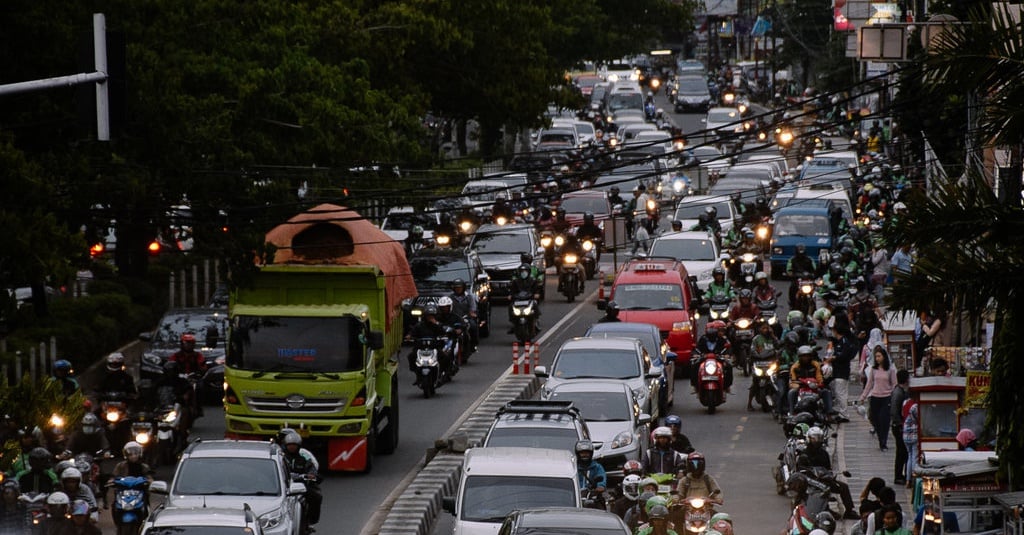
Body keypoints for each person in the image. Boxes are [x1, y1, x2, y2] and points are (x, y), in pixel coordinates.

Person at [798, 427, 859, 519]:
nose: (817, 441)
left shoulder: (824, 454)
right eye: (814, 438)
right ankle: (825, 509)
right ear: (809, 439)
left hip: (824, 480)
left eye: (819, 438)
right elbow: (801, 471)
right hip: (811, 482)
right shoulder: (804, 454)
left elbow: (828, 469)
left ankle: (849, 511)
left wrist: (829, 476)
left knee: (843, 487)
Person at [859, 346, 897, 450]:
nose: (877, 358)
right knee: (875, 419)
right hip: (875, 397)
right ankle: (880, 438)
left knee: (884, 420)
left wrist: (894, 398)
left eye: (879, 356)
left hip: (886, 397)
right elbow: (869, 383)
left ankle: (883, 443)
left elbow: (894, 384)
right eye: (876, 356)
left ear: (884, 357)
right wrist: (863, 396)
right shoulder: (874, 369)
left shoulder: (890, 370)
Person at [281, 432, 322, 529]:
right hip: (284, 485)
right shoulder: (282, 457)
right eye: (290, 445)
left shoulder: (304, 457)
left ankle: (311, 521)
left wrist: (311, 475)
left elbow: (312, 469)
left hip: (302, 485)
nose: (292, 447)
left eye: (294, 445)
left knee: (316, 496)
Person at [406, 304, 452, 385]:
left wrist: (442, 333)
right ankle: (418, 375)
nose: (430, 318)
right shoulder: (419, 325)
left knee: (446, 358)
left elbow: (444, 332)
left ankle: (442, 374)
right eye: (428, 316)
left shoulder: (438, 325)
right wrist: (409, 336)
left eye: (432, 316)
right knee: (411, 356)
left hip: (434, 348)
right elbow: (412, 332)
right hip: (421, 348)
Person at [788, 345, 833, 415]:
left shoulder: (816, 365)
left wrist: (819, 384)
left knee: (826, 392)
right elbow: (792, 381)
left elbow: (819, 377)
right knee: (791, 392)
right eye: (803, 356)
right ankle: (792, 413)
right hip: (801, 389)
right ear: (799, 357)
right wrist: (797, 385)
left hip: (814, 388)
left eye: (807, 356)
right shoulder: (795, 367)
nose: (806, 358)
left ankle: (829, 413)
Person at [690, 320, 732, 394]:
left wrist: (726, 355)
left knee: (728, 366)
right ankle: (695, 386)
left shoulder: (721, 339)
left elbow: (727, 348)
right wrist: (696, 354)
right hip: (704, 359)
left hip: (718, 358)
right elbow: (697, 348)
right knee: (694, 366)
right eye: (710, 330)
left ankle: (727, 386)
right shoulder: (703, 339)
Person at [829, 326, 859, 422]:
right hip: (838, 371)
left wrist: (834, 358)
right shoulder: (839, 342)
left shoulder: (844, 342)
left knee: (840, 393)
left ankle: (844, 414)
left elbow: (844, 356)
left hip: (842, 371)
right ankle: (843, 412)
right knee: (841, 393)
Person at [891, 369, 911, 485]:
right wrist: (900, 424)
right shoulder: (898, 393)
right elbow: (894, 411)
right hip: (898, 426)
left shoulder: (901, 391)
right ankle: (898, 475)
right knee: (901, 452)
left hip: (900, 425)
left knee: (903, 452)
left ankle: (901, 474)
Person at [449, 278, 479, 352]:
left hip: (466, 318)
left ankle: (473, 345)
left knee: (473, 326)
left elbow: (473, 307)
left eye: (460, 287)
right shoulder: (450, 297)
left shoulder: (469, 297)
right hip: (454, 318)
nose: (458, 289)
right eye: (456, 288)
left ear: (463, 288)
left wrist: (472, 313)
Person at [776, 331, 800, 415]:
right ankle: (779, 412)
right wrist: (787, 366)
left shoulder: (798, 352)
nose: (792, 347)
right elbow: (778, 366)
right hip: (783, 376)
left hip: (796, 376)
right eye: (791, 344)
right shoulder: (781, 353)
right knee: (781, 391)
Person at [902, 400, 919, 490]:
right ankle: (914, 479)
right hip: (914, 434)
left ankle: (908, 479)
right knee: (914, 457)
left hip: (906, 434)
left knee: (910, 456)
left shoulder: (905, 402)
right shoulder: (915, 406)